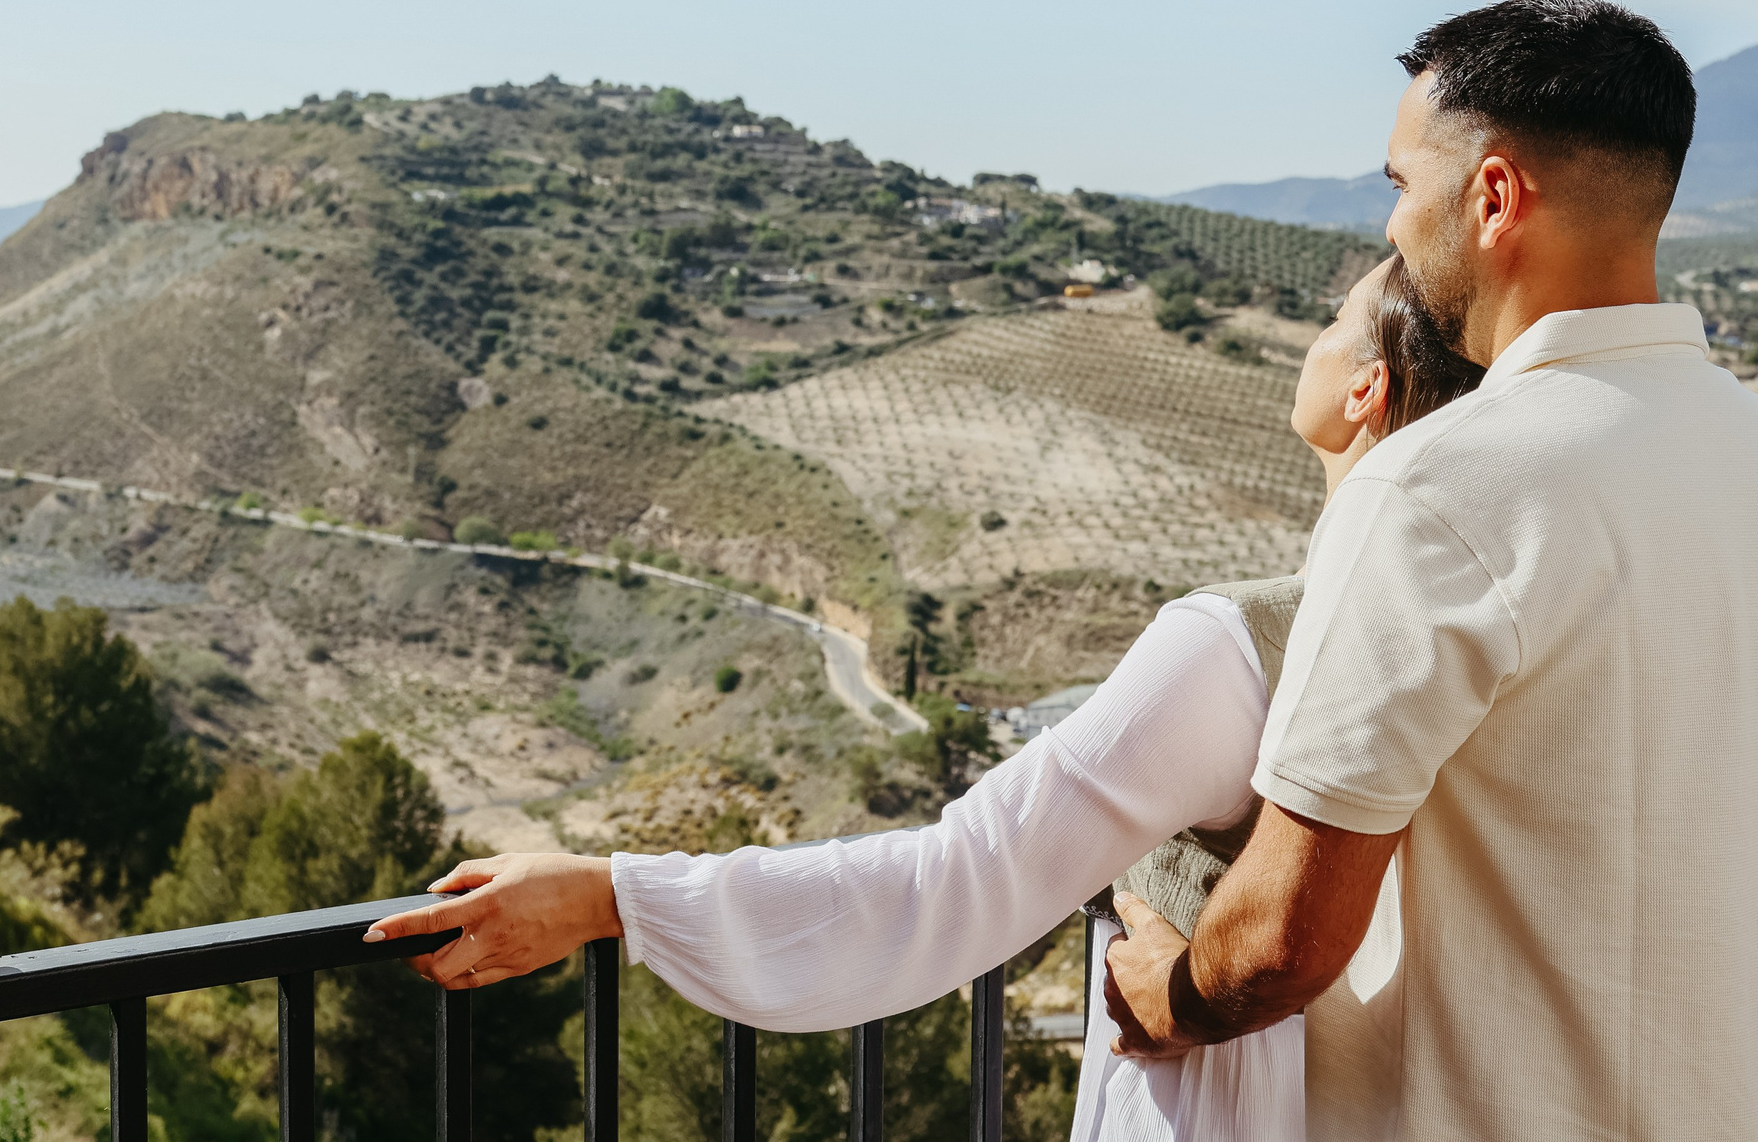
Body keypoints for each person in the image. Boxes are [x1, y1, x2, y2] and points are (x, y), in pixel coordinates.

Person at [365, 252, 1482, 1142]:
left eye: (1333, 321)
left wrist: (614, 896)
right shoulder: (1484, 629)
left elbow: (960, 878)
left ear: (1362, 387)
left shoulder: (1234, 646)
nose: (1312, 337)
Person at [1100, 0, 1758, 1141]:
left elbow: (1276, 945)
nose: (1395, 237)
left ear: (1495, 197)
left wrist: (1163, 993)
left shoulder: (1436, 490)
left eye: (1401, 189)